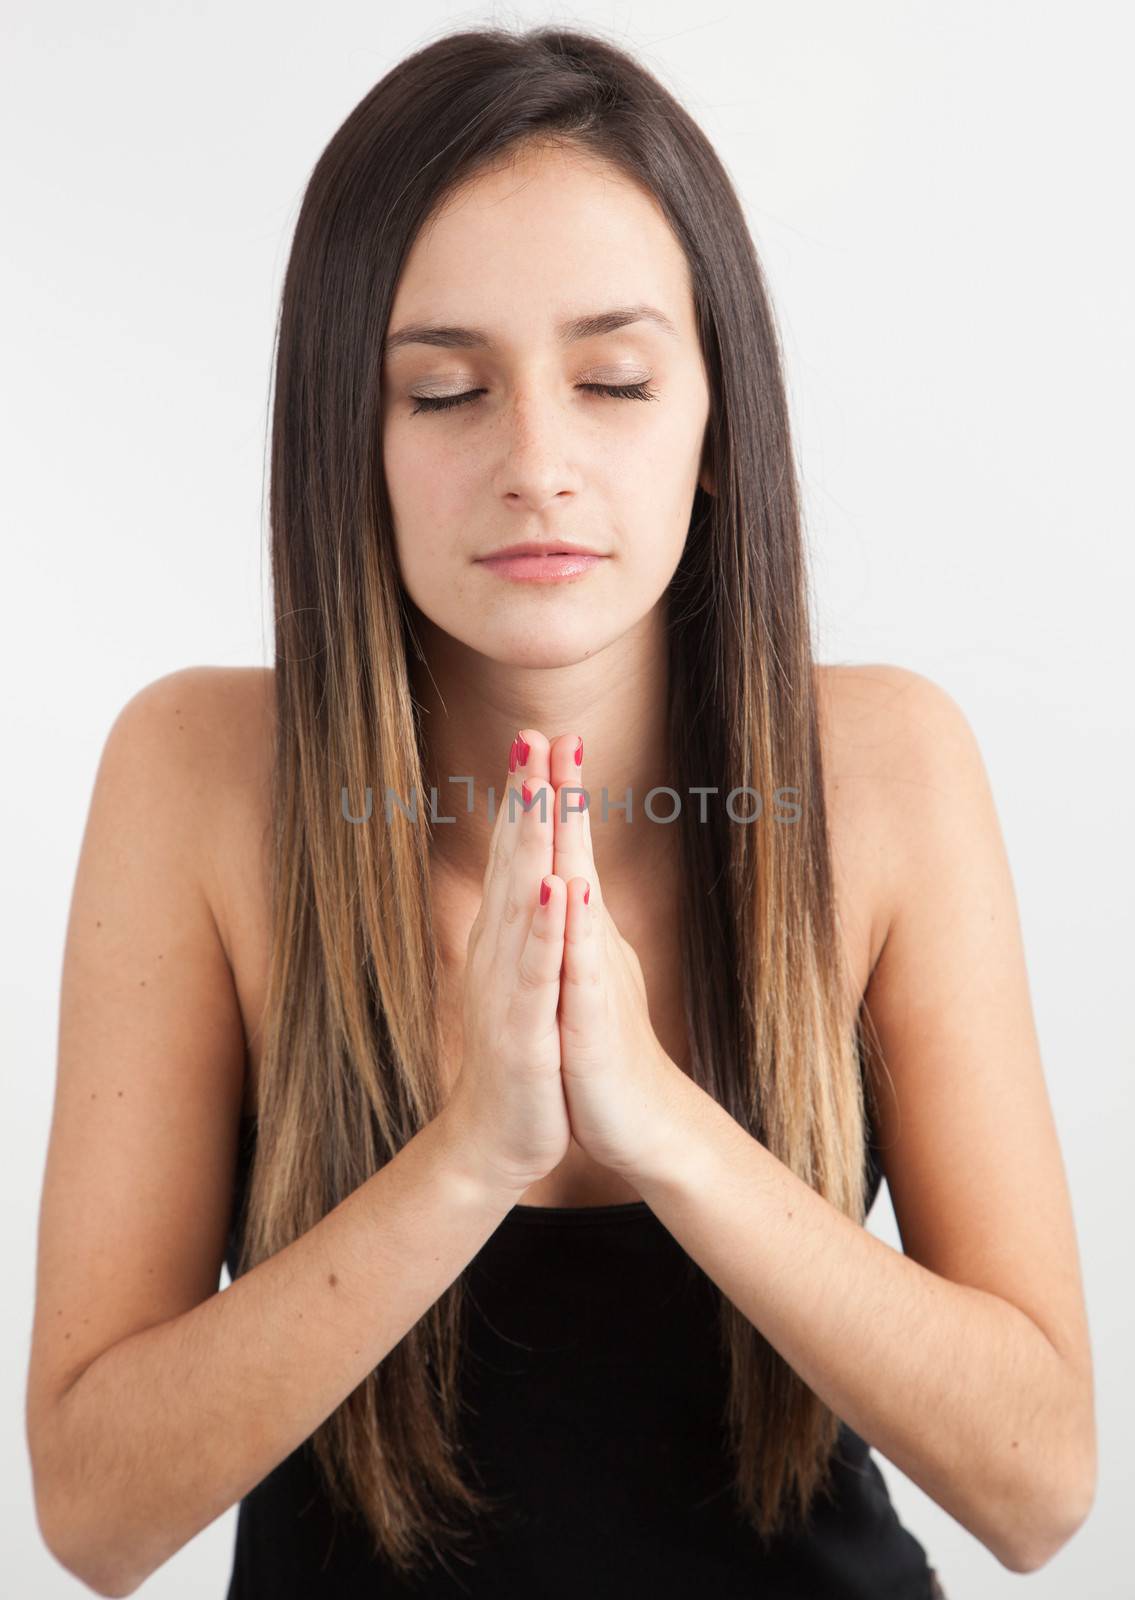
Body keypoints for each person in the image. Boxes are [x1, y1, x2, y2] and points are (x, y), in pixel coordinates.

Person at [27, 24, 1093, 1599]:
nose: (538, 461)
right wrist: (471, 1153)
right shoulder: (196, 775)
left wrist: (659, 1120)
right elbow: (94, 1515)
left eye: (612, 380)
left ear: (715, 427)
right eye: (446, 393)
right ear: (350, 444)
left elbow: (1043, 1487)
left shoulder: (885, 769)